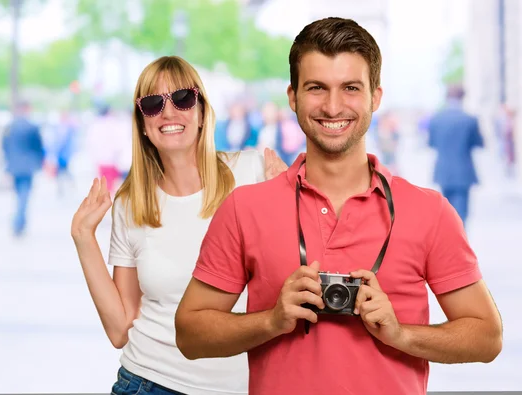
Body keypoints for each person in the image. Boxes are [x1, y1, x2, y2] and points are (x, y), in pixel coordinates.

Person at [175, 17, 503, 395]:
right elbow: (190, 335)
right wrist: (271, 321)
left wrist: (401, 335)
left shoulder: (429, 211)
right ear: (293, 96)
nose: (333, 107)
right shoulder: (244, 208)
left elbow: (487, 337)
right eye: (316, 88)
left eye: (350, 88)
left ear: (375, 97)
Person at [71, 56, 287, 395]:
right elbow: (119, 329)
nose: (169, 112)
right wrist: (83, 237)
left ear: (201, 112)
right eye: (154, 104)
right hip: (149, 381)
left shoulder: (255, 172)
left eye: (183, 98)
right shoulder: (131, 204)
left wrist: (283, 207)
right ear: (143, 124)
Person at [428, 85, 484, 228]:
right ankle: (459, 244)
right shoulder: (469, 119)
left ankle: (450, 243)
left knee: (447, 212)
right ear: (463, 97)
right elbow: (479, 143)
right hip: (463, 171)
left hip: (444, 171)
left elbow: (431, 143)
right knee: (461, 214)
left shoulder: (436, 119)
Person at [2, 100, 45, 236]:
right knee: (24, 195)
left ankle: (19, 220)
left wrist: (8, 164)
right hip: (28, 166)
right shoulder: (32, 127)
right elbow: (38, 147)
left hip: (14, 166)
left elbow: (4, 146)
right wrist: (40, 162)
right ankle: (19, 222)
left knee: (19, 194)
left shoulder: (10, 126)